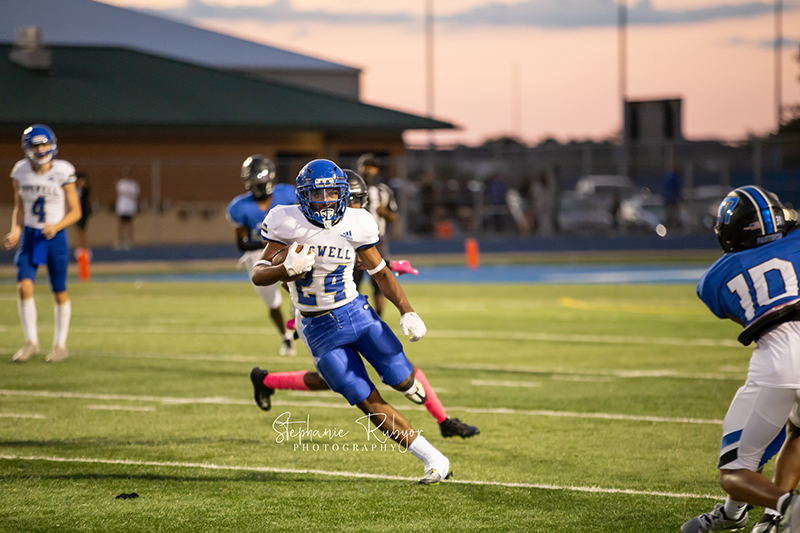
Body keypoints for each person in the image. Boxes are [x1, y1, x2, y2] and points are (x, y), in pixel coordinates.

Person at [250, 159, 451, 484]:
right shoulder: (285, 220)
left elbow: (379, 272)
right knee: (367, 400)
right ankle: (434, 459)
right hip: (318, 329)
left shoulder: (358, 221)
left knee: (400, 378)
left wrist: (406, 310)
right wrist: (283, 270)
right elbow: (259, 273)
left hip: (356, 312)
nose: (327, 200)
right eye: (319, 194)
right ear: (303, 196)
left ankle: (415, 389)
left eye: (333, 193)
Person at [260, 170, 480, 439]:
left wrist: (392, 273)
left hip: (350, 306)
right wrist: (299, 312)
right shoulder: (308, 226)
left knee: (390, 361)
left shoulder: (356, 223)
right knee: (339, 379)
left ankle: (443, 419)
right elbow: (294, 275)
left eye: (358, 201)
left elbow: (363, 260)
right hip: (316, 316)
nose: (354, 208)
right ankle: (266, 380)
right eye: (353, 201)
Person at [682, 185, 800, 533]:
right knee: (796, 429)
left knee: (734, 471)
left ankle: (787, 507)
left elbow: (749, 318)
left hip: (779, 361)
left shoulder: (715, 278)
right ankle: (764, 517)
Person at [4, 124, 81, 363]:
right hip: (30, 234)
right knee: (23, 287)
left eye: (45, 144)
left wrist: (56, 226)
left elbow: (75, 211)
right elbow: (20, 207)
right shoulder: (20, 171)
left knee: (59, 292)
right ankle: (31, 342)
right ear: (28, 148)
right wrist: (16, 229)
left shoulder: (63, 170)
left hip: (54, 237)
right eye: (37, 145)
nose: (41, 149)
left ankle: (60, 345)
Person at [226, 154, 297, 356]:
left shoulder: (286, 195)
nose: (259, 183)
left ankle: (298, 307)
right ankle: (285, 337)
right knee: (273, 303)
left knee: (297, 281)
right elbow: (242, 243)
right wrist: (268, 244)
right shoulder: (240, 207)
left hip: (286, 248)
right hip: (257, 255)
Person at [353, 153, 398, 317]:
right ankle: (352, 314)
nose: (367, 170)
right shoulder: (351, 189)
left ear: (377, 169)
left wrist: (384, 212)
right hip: (354, 241)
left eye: (371, 166)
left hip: (378, 241)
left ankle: (379, 317)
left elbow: (394, 216)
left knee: (379, 279)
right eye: (365, 166)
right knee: (351, 280)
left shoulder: (384, 191)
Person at [115, 167, 139, 250]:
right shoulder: (120, 183)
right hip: (122, 206)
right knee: (121, 224)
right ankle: (120, 240)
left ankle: (129, 241)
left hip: (130, 207)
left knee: (129, 224)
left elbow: (135, 193)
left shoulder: (133, 184)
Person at [664, 162, 684, 231]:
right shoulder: (673, 177)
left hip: (672, 199)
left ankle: (673, 227)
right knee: (672, 214)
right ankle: (670, 227)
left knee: (674, 215)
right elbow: (671, 189)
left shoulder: (674, 177)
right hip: (672, 200)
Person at [74, 172, 91, 250]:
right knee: (78, 231)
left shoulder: (85, 190)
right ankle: (80, 247)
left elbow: (85, 199)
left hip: (84, 212)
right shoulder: (74, 189)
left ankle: (84, 248)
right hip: (76, 212)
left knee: (82, 231)